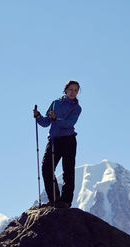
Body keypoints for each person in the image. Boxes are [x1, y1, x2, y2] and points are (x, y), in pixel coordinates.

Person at [33, 80, 82, 208]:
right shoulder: (55, 104)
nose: (73, 92)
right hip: (54, 140)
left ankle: (65, 201)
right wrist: (38, 116)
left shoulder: (76, 108)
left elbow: (69, 123)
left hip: (69, 140)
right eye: (71, 89)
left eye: (76, 90)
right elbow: (45, 122)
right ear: (65, 90)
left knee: (68, 171)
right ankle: (54, 199)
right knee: (46, 168)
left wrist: (56, 119)